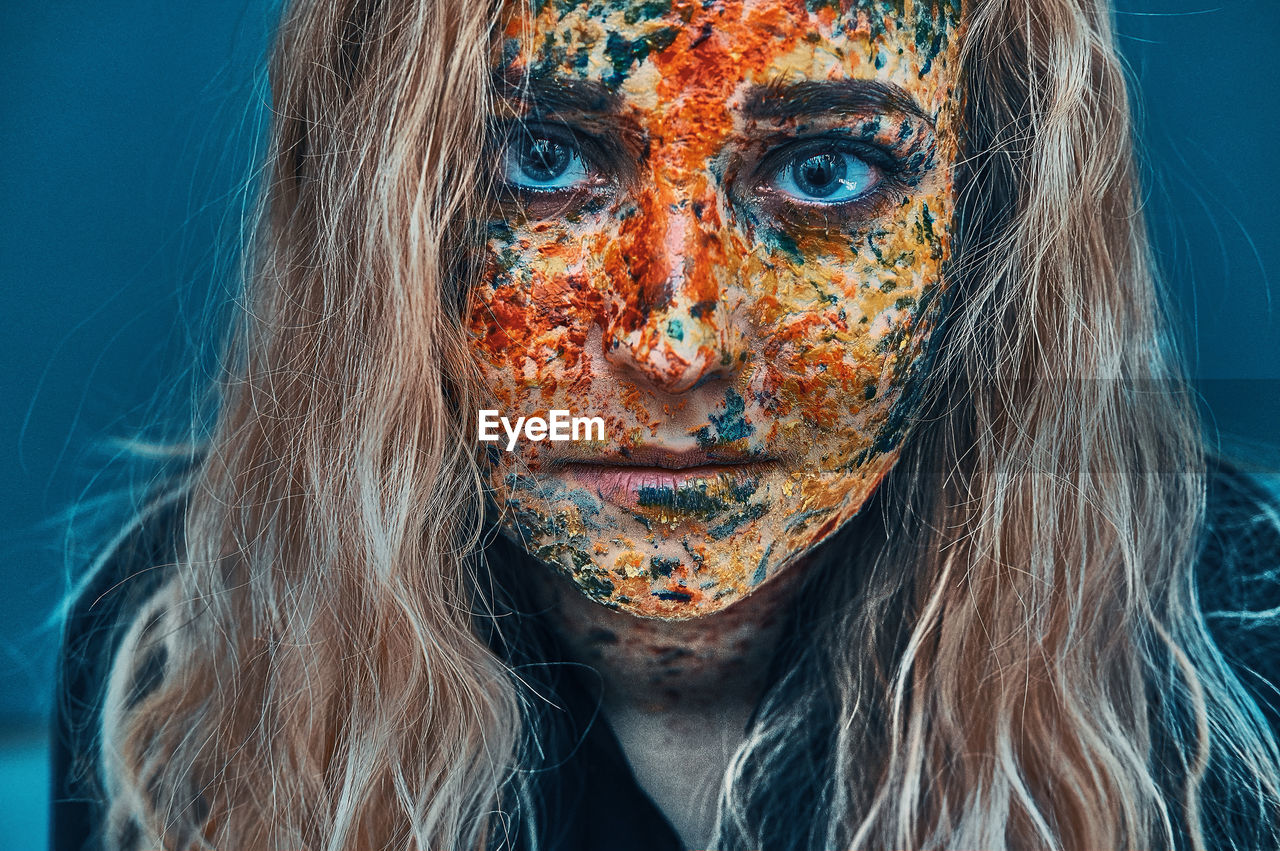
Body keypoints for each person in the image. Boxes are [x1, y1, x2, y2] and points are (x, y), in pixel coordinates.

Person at [51, 0, 1280, 849]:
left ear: (987, 228)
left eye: (823, 170)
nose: (675, 343)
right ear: (382, 210)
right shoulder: (191, 659)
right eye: (542, 158)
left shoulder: (1235, 645)